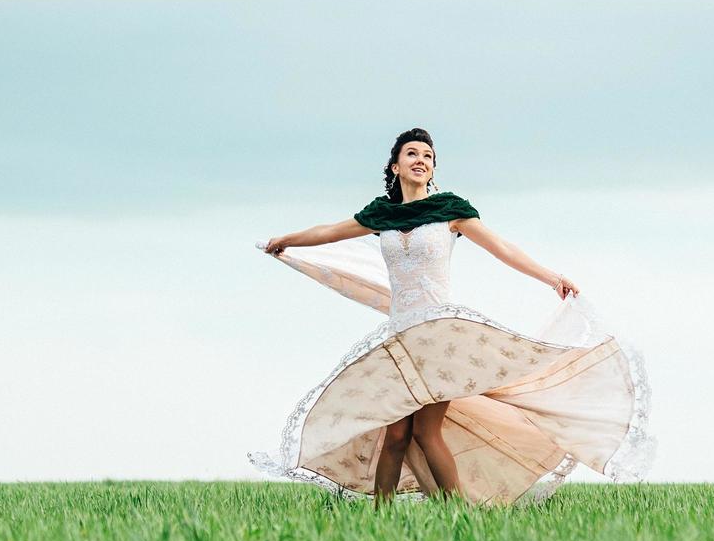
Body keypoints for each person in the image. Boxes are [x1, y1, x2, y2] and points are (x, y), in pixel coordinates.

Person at [253, 128, 655, 507]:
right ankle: (379, 523)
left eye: (428, 156)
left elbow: (501, 247)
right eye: (412, 153)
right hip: (400, 339)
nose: (421, 160)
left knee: (426, 433)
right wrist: (285, 241)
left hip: (439, 337)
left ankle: (458, 515)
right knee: (395, 435)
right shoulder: (382, 215)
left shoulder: (450, 211)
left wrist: (552, 277)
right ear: (395, 166)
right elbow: (330, 231)